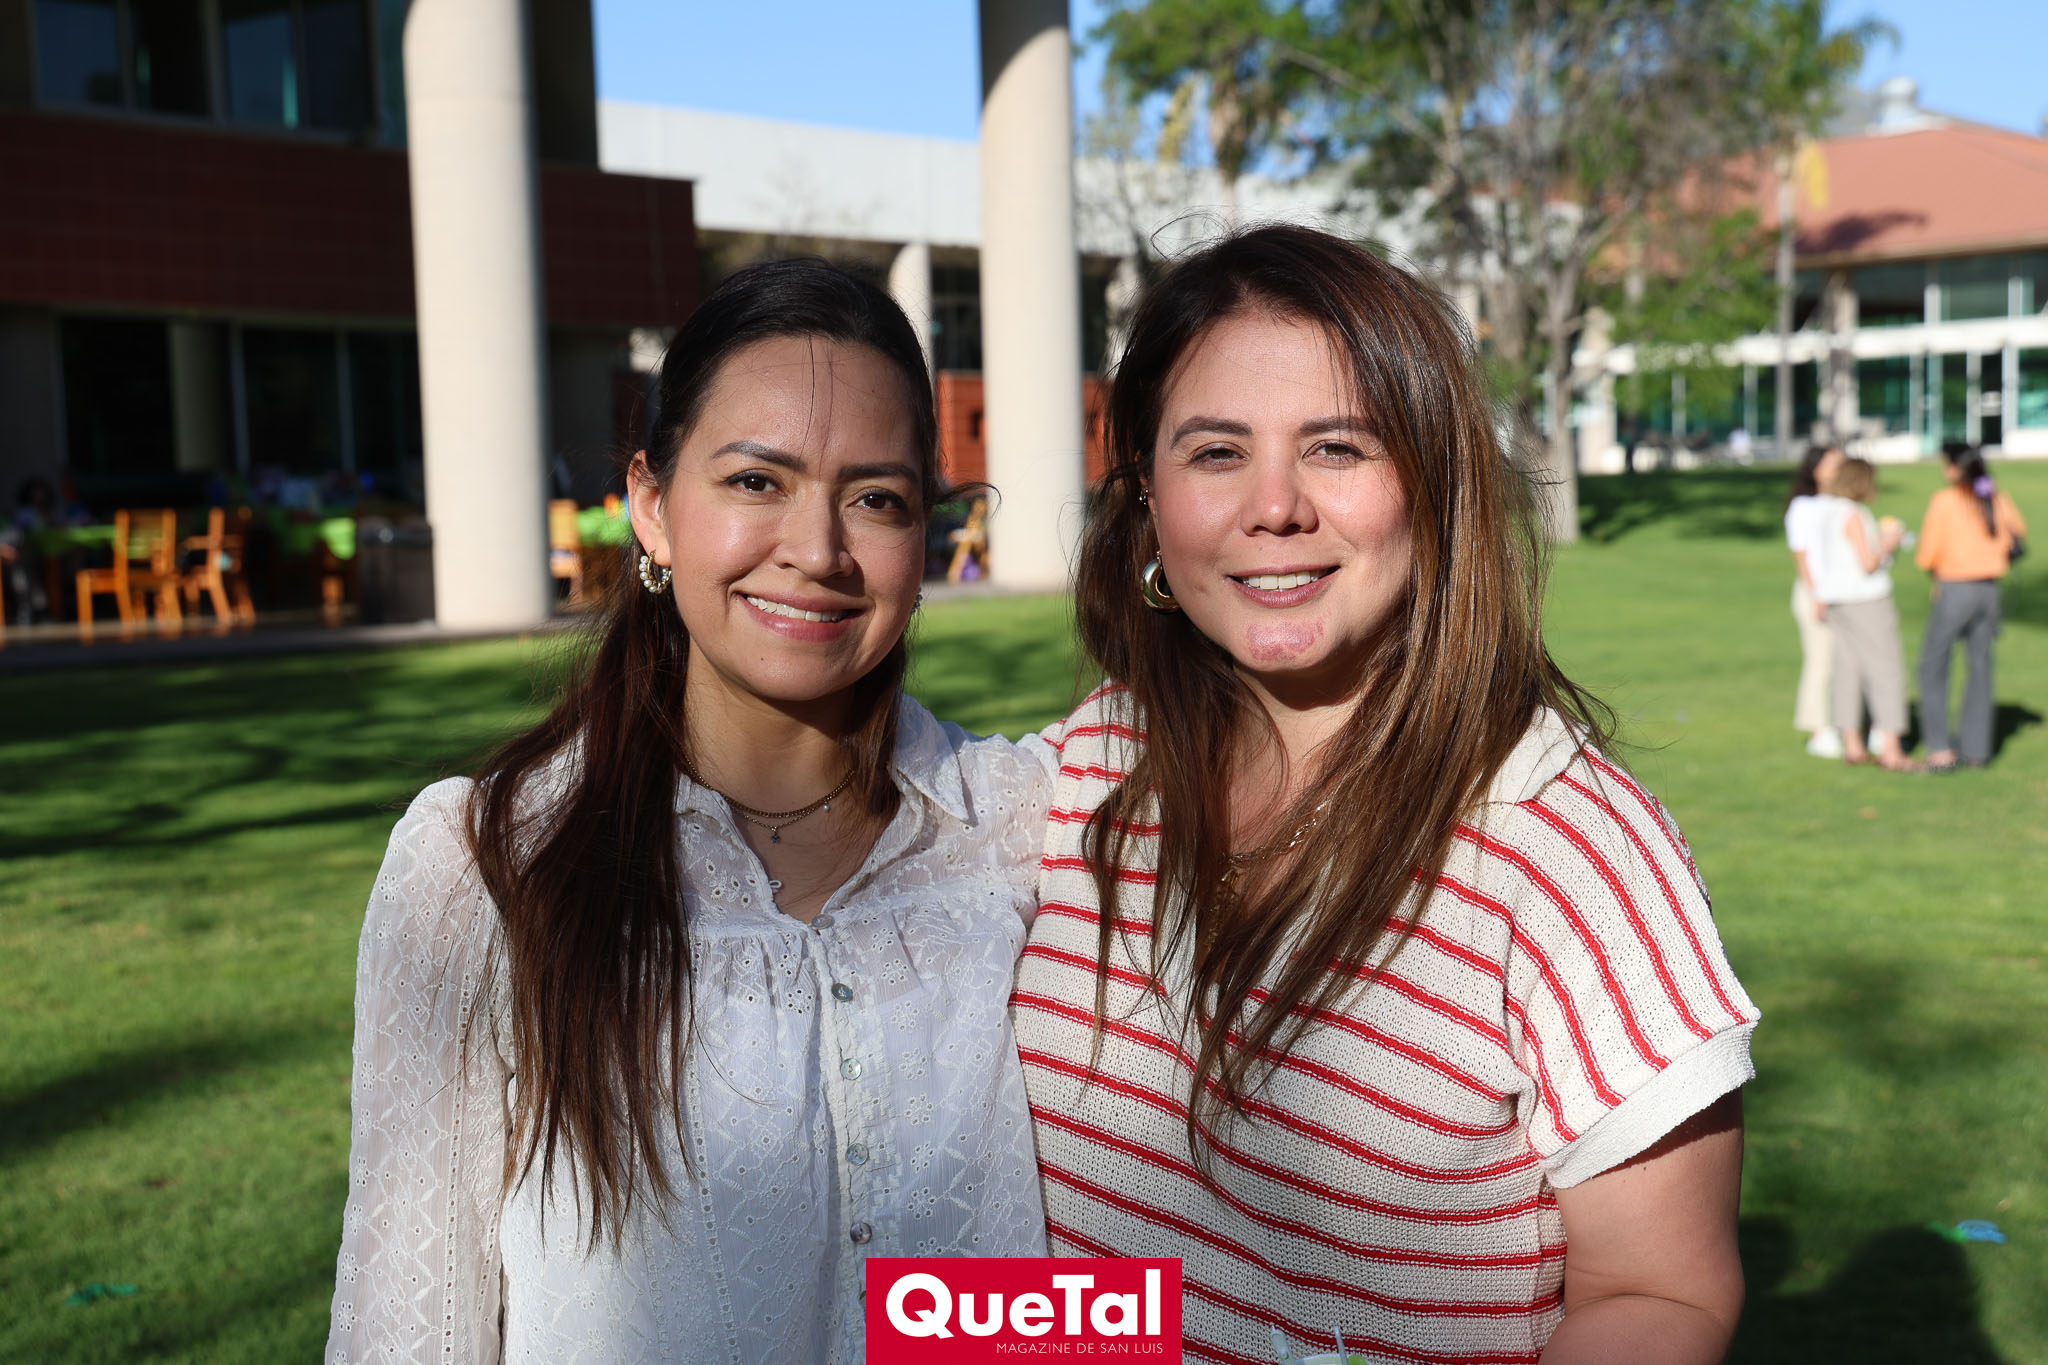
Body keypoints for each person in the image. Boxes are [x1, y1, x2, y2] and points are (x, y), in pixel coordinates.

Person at [1012, 226, 1757, 1364]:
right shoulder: (1092, 763)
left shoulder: (1568, 846)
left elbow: (1661, 1296)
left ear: (1433, 481)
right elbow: (1113, 1283)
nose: (1274, 507)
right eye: (1215, 452)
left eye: (1336, 447)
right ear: (1148, 496)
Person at [326, 259, 1054, 1364]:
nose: (817, 551)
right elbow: (405, 1335)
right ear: (653, 507)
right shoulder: (485, 870)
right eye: (756, 481)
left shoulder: (1025, 824)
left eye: (876, 498)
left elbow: (1088, 1295)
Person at [1915, 442, 2029, 771]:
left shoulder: (1946, 501)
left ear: (1955, 468)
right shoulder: (1995, 497)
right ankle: (1977, 749)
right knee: (1980, 667)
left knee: (1932, 665)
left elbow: (1927, 553)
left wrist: (1936, 576)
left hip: (1955, 589)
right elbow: (2017, 533)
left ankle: (1939, 748)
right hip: (1989, 591)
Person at [1807, 457, 1919, 772]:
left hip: (1837, 601)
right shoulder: (1854, 514)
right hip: (1865, 601)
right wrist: (1889, 544)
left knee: (1848, 670)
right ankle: (1892, 749)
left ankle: (1853, 744)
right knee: (1886, 670)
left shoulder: (1827, 513)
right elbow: (1867, 564)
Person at [1785, 445, 1846, 758]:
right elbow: (1801, 554)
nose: (1839, 470)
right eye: (1833, 464)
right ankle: (1820, 730)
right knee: (1820, 660)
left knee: (1844, 662)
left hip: (1844, 593)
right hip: (1816, 593)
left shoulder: (1842, 504)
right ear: (1816, 469)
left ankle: (1844, 722)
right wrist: (1815, 593)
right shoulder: (1803, 506)